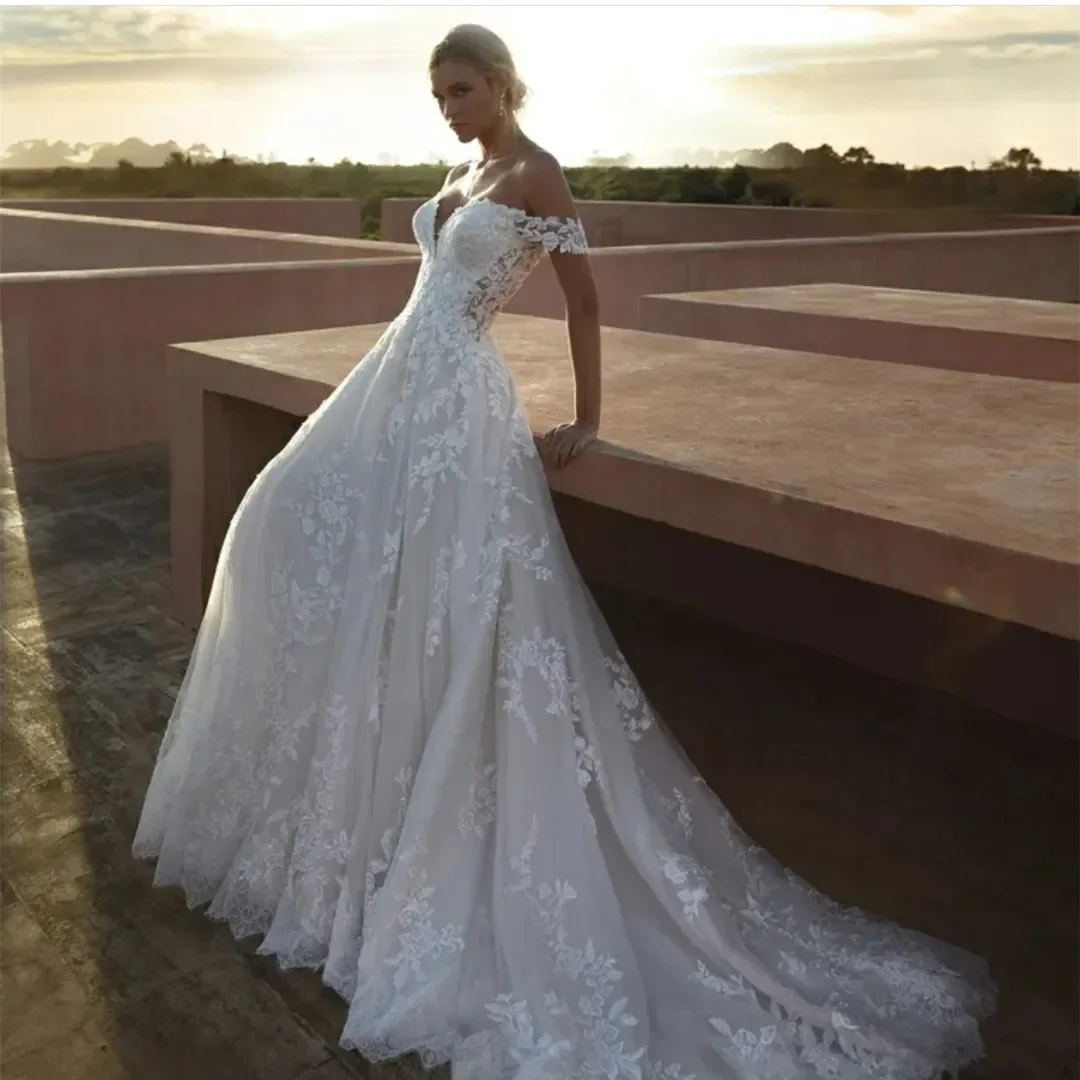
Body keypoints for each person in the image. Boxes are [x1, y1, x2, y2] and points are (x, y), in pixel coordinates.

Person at [133, 23, 996, 1080]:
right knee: (284, 527)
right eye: (436, 92)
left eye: (461, 88)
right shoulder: (464, 167)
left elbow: (585, 302)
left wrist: (587, 418)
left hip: (461, 411)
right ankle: (369, 825)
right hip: (397, 391)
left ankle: (445, 827)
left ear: (501, 82)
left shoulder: (540, 176)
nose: (447, 107)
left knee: (461, 609)